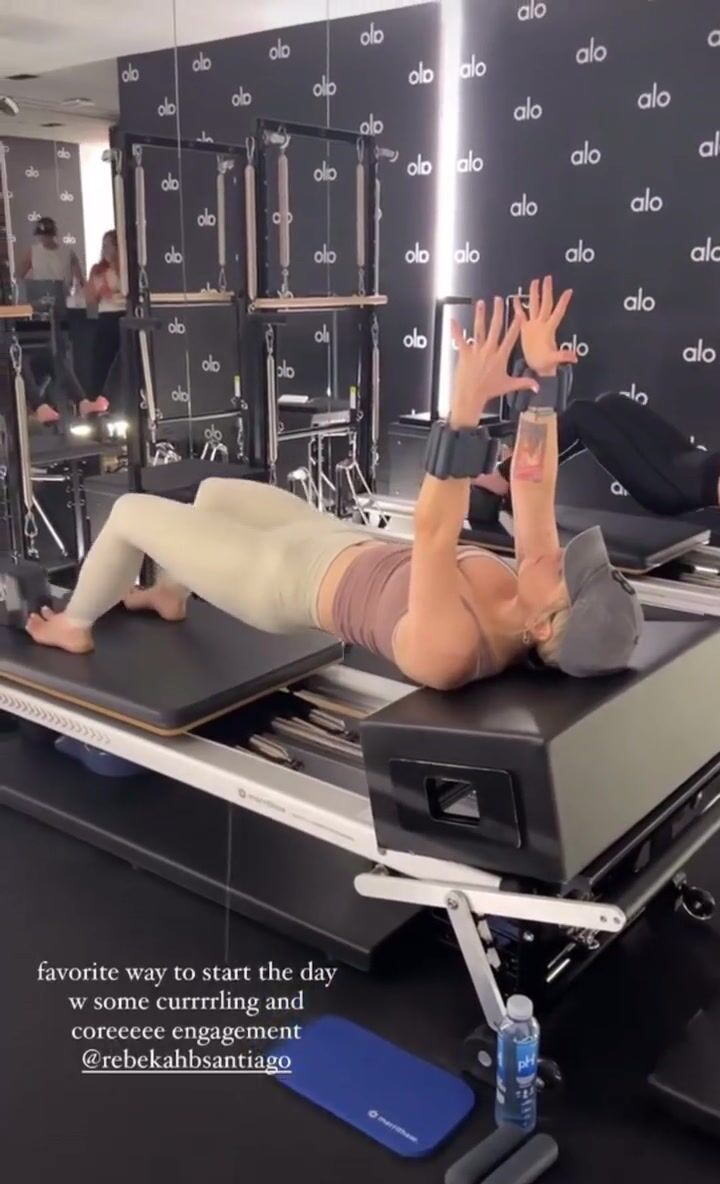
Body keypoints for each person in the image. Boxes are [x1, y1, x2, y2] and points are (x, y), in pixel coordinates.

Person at [26, 276, 643, 689]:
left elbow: (434, 531)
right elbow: (531, 483)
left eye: (566, 572)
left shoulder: (453, 649)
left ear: (543, 627)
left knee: (131, 513)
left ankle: (74, 626)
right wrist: (540, 382)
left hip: (280, 579)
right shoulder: (531, 586)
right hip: (331, 538)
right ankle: (170, 593)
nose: (558, 555)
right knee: (213, 493)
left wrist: (462, 411)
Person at [471, 391, 720, 522]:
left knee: (582, 415)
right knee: (611, 403)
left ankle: (506, 476)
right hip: (687, 458)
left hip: (672, 486)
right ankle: (523, 473)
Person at [85, 230, 123, 414]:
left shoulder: (125, 267)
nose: (107, 249)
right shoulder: (97, 270)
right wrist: (99, 291)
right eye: (104, 245)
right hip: (106, 317)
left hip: (123, 315)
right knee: (102, 360)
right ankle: (98, 400)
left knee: (121, 361)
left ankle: (118, 401)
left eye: (110, 245)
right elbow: (90, 299)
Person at [18, 216, 85, 293]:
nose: (43, 237)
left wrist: (82, 291)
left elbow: (80, 278)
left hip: (63, 296)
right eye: (41, 235)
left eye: (46, 235)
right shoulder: (32, 252)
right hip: (40, 296)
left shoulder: (68, 252)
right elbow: (19, 275)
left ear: (53, 234)